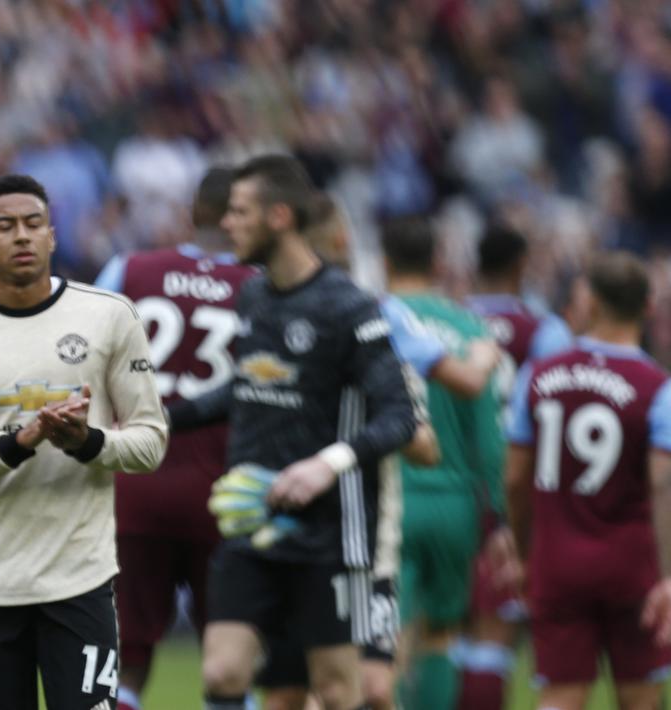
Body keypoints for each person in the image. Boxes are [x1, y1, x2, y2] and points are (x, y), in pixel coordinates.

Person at [169, 155, 416, 710]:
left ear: (279, 216)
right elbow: (245, 389)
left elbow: (400, 417)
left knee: (335, 691)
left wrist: (326, 463)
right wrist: (163, 419)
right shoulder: (254, 296)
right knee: (223, 670)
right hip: (253, 521)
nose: (225, 224)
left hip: (331, 534)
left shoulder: (349, 306)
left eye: (238, 211)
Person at [0, 174, 168, 710]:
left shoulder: (108, 317)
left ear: (52, 235)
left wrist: (87, 442)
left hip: (81, 581)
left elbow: (150, 442)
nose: (22, 236)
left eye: (34, 224)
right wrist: (19, 442)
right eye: (4, 226)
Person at [259, 194, 503, 710]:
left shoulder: (354, 311)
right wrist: (498, 514)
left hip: (372, 513)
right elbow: (475, 407)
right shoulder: (456, 324)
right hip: (438, 504)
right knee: (422, 643)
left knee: (346, 675)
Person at [93, 166, 257, 710]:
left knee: (125, 657)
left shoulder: (130, 268)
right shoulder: (262, 287)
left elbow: (82, 355)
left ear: (192, 214)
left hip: (133, 484)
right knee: (230, 660)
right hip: (226, 491)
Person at [505, 251, 671, 710]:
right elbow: (664, 485)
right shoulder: (657, 388)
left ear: (590, 304)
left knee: (558, 698)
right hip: (632, 566)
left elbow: (515, 477)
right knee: (640, 699)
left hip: (556, 562)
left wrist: (523, 552)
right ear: (649, 309)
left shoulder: (536, 376)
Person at [380, 217, 505, 710]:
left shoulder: (374, 317)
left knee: (383, 638)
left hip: (393, 498)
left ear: (385, 262)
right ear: (437, 264)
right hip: (456, 503)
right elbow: (489, 438)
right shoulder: (469, 328)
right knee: (440, 637)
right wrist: (496, 514)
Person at [458, 223, 574, 709]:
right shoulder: (545, 331)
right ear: (521, 266)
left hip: (449, 481)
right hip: (510, 488)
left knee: (446, 630)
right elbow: (560, 407)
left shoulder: (451, 320)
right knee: (494, 631)